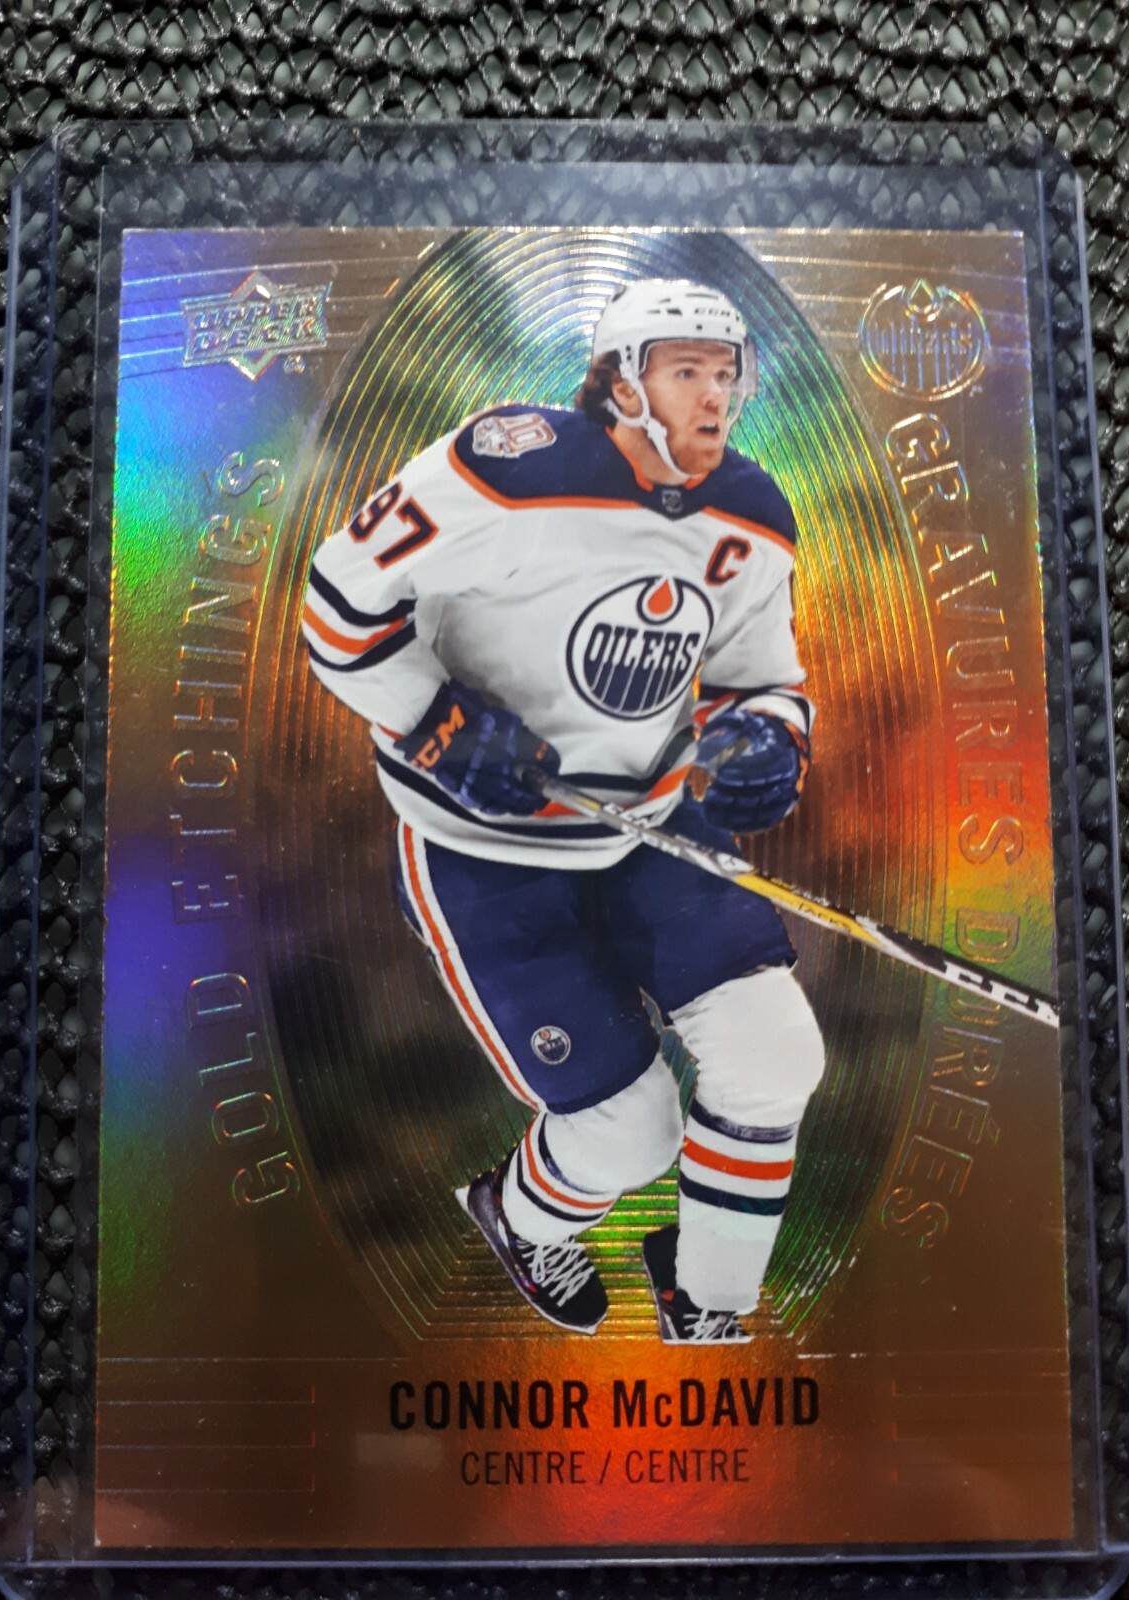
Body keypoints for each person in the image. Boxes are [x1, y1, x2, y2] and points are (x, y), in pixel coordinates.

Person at [302, 278, 825, 1344]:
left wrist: (767, 738)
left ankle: (710, 1300)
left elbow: (758, 676)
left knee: (776, 1054)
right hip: (478, 843)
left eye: (725, 373)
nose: (714, 395)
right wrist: (435, 722)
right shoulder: (512, 466)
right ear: (622, 383)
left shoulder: (754, 513)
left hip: (646, 821)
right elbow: (338, 601)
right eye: (686, 370)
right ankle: (520, 1214)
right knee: (632, 1133)